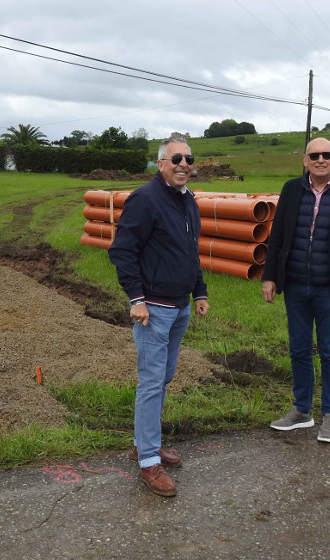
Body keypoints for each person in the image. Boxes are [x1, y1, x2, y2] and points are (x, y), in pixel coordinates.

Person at [108, 136, 210, 497]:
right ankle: (148, 461)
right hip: (153, 309)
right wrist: (136, 299)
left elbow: (190, 250)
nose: (184, 164)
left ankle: (143, 442)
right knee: (152, 382)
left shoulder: (188, 200)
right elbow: (122, 251)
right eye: (176, 158)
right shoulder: (145, 199)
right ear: (161, 163)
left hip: (179, 305)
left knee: (163, 377)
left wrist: (199, 291)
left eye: (189, 158)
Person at [261, 137, 330, 443]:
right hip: (295, 285)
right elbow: (277, 235)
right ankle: (302, 412)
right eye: (314, 155)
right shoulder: (292, 189)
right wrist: (270, 277)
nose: (320, 159)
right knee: (299, 349)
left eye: (326, 155)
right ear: (305, 160)